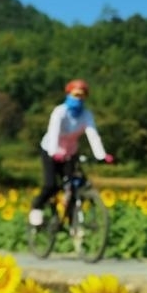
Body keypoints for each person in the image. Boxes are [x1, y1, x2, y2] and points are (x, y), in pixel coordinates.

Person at [28, 79, 114, 226]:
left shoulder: (86, 115)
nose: (78, 99)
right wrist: (54, 152)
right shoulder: (60, 112)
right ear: (68, 94)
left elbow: (92, 134)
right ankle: (36, 208)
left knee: (74, 186)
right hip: (51, 150)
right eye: (75, 95)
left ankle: (71, 220)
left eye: (82, 96)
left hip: (69, 153)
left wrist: (101, 155)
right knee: (51, 185)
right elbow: (53, 131)